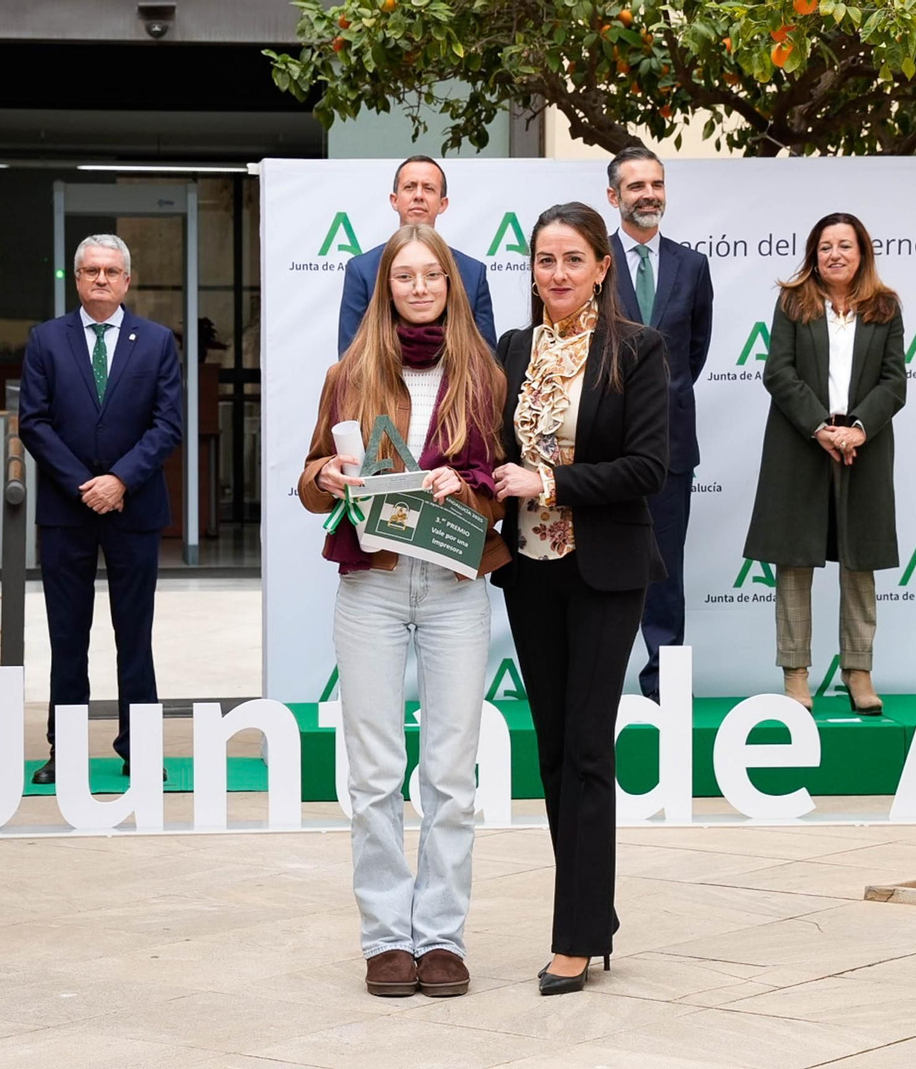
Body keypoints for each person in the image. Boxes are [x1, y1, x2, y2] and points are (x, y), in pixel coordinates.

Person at [302, 223, 509, 999]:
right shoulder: (348, 372)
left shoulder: (483, 373)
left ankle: (443, 937)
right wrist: (329, 470)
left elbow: (500, 487)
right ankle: (388, 937)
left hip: (455, 582)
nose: (420, 287)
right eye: (405, 276)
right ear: (384, 286)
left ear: (451, 286)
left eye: (433, 276)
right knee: (376, 771)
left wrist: (472, 489)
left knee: (452, 772)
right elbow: (309, 479)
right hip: (374, 584)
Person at [490, 202, 670, 995]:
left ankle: (576, 936)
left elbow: (647, 467)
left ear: (603, 265)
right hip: (530, 570)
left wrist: (550, 480)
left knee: (590, 749)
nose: (555, 273)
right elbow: (494, 451)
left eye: (572, 259)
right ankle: (592, 908)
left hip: (605, 569)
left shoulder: (637, 349)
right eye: (543, 259)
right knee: (555, 751)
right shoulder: (514, 348)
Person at [19, 234, 183, 785]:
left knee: (134, 634)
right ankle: (62, 750)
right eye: (90, 271)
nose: (101, 280)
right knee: (68, 636)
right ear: (76, 278)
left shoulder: (157, 342)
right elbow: (34, 423)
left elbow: (167, 425)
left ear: (127, 280)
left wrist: (119, 480)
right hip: (67, 511)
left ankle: (139, 747)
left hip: (133, 509)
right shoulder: (46, 340)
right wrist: (83, 484)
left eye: (111, 271)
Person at [742, 212, 906, 714]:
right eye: (825, 246)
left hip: (863, 445)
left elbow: (894, 381)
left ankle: (859, 671)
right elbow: (778, 372)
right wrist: (820, 427)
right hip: (800, 442)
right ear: (813, 254)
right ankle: (796, 674)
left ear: (862, 254)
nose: (835, 254)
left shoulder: (885, 306)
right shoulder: (793, 302)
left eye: (845, 246)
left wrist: (856, 428)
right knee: (794, 561)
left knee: (859, 562)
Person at [605, 145, 714, 704]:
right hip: (599, 446)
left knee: (666, 568)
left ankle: (663, 688)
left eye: (657, 184)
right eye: (636, 185)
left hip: (670, 443)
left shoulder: (691, 266)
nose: (648, 194)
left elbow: (693, 353)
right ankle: (598, 681)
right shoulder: (590, 261)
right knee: (598, 563)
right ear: (613, 196)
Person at [337, 155, 497, 355]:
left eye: (429, 188)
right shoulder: (362, 270)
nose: (419, 195)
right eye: (410, 187)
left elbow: (487, 361)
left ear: (443, 204)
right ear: (394, 200)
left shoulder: (473, 272)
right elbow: (350, 359)